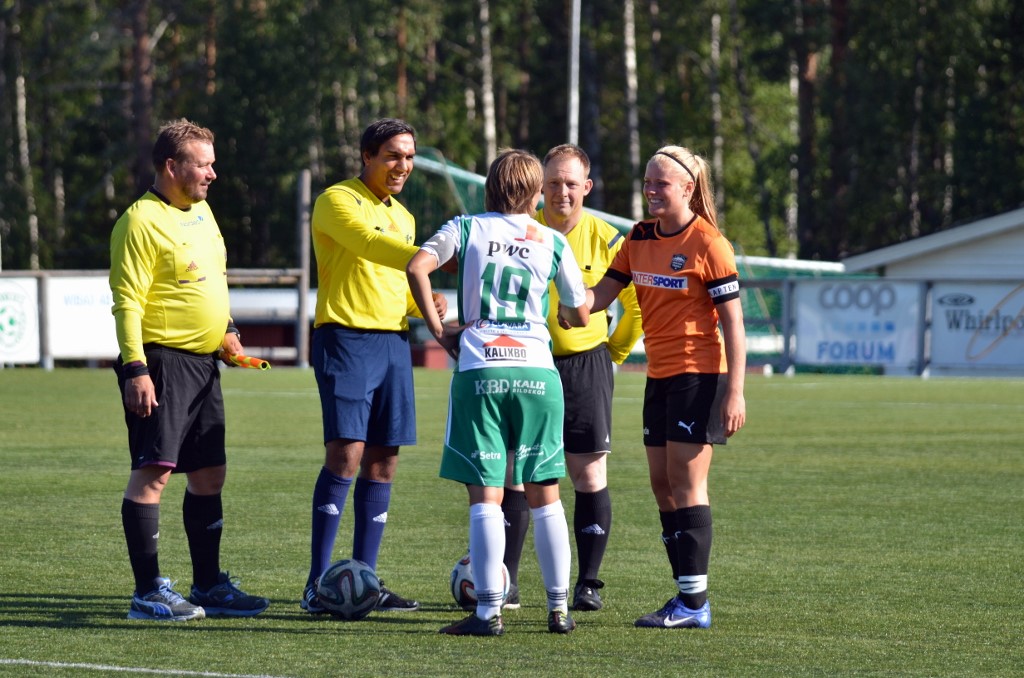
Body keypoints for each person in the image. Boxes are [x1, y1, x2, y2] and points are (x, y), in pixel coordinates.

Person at [406, 148, 590, 636]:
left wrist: (439, 330)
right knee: (545, 494)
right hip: (537, 372)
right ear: (536, 193)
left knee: (486, 496)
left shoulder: (466, 228)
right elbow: (579, 313)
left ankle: (488, 612)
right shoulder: (552, 239)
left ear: (490, 187)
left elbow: (417, 267)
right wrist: (567, 312)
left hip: (481, 367)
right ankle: (559, 610)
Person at [109, 118, 270, 621]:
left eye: (212, 164)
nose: (213, 174)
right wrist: (135, 369)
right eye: (203, 165)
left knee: (209, 473)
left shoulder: (203, 212)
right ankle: (147, 593)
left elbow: (213, 280)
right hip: (161, 362)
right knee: (153, 472)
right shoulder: (139, 221)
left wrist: (227, 331)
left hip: (204, 364)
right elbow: (127, 302)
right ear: (171, 166)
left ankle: (208, 585)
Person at [585, 145, 746, 629]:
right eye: (647, 182)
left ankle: (694, 604)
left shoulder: (709, 243)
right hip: (658, 376)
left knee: (687, 482)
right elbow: (600, 296)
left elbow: (734, 325)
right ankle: (686, 594)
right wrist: (562, 297)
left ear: (688, 189)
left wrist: (735, 392)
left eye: (661, 183)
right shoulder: (638, 237)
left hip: (700, 377)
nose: (651, 191)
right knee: (662, 485)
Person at [302, 118, 446, 615]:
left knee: (384, 460)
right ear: (367, 156)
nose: (402, 166)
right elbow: (366, 244)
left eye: (409, 157)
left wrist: (424, 304)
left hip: (392, 344)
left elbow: (395, 286)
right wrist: (429, 257)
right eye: (392, 156)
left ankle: (364, 581)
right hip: (345, 338)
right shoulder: (336, 200)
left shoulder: (404, 216)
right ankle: (317, 585)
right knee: (346, 453)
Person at [500, 144, 643, 612]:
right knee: (516, 472)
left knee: (588, 472)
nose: (562, 192)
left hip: (586, 366)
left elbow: (637, 307)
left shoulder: (609, 239)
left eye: (571, 183)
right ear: (540, 187)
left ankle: (587, 584)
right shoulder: (521, 231)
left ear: (587, 186)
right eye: (553, 183)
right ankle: (508, 582)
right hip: (527, 362)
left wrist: (613, 353)